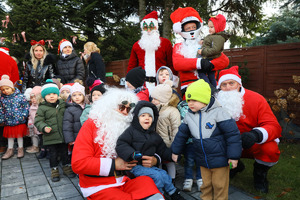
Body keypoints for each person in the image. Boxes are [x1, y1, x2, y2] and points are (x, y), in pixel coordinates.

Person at [71, 87, 164, 200]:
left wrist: (155, 159)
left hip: (126, 180)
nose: (125, 112)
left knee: (152, 190)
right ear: (110, 106)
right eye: (122, 106)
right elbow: (78, 163)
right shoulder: (90, 125)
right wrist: (114, 164)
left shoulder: (131, 127)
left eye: (129, 109)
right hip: (99, 185)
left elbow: (153, 145)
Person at [171, 79, 242, 200]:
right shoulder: (189, 115)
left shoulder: (219, 112)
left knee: (219, 186)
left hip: (220, 159)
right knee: (205, 186)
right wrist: (175, 151)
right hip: (202, 159)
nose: (190, 103)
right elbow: (181, 134)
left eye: (194, 100)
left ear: (204, 100)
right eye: (188, 100)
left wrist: (233, 156)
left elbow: (233, 135)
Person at [216, 66, 282, 193]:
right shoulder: (215, 101)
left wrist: (255, 135)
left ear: (239, 84)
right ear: (220, 87)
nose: (228, 87)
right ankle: (234, 167)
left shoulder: (257, 99)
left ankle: (259, 175)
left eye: (231, 83)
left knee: (270, 149)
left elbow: (274, 126)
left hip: (252, 143)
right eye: (224, 84)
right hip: (228, 144)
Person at [116, 100, 183, 199]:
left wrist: (172, 155)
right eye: (143, 116)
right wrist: (132, 154)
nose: (147, 118)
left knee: (163, 174)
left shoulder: (154, 135)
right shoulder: (131, 131)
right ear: (137, 118)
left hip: (148, 166)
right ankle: (159, 194)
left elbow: (162, 150)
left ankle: (172, 191)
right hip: (135, 166)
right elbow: (121, 144)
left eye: (150, 116)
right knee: (157, 176)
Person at [170, 7, 229, 98]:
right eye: (188, 28)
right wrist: (200, 63)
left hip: (210, 87)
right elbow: (178, 64)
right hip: (189, 86)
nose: (191, 29)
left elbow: (224, 61)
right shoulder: (179, 46)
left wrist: (210, 64)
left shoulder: (205, 43)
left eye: (193, 27)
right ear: (182, 30)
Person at [34, 79, 75, 182]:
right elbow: (38, 121)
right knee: (53, 155)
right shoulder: (42, 108)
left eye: (54, 94)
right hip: (50, 136)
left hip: (62, 135)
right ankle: (54, 170)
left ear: (58, 95)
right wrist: (44, 127)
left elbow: (71, 112)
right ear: (44, 97)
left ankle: (66, 167)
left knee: (64, 153)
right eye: (48, 94)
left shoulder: (63, 104)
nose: (51, 96)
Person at [127, 11, 176, 93]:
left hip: (162, 85)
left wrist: (171, 82)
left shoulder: (165, 43)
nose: (149, 30)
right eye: (146, 28)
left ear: (156, 27)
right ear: (142, 28)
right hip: (142, 86)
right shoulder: (137, 45)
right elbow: (132, 66)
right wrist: (129, 82)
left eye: (151, 27)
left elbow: (171, 64)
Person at [151, 80, 181, 182]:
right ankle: (161, 178)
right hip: (157, 142)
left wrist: (174, 144)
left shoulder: (172, 111)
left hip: (168, 143)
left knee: (169, 162)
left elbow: (176, 128)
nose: (153, 101)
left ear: (163, 99)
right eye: (152, 98)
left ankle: (172, 179)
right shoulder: (155, 109)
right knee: (158, 161)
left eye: (155, 99)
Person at [0, 75, 29, 160]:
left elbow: (25, 106)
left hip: (19, 120)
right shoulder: (2, 99)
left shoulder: (20, 96)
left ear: (12, 87)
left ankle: (20, 148)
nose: (5, 91)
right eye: (3, 90)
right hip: (8, 121)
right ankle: (10, 149)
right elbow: (1, 109)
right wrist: (2, 118)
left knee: (19, 136)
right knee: (10, 136)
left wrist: (23, 116)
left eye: (7, 89)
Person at [197, 14, 230, 87]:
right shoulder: (214, 36)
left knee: (202, 73)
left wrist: (202, 52)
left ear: (218, 27)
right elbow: (209, 42)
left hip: (211, 59)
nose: (209, 29)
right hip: (209, 58)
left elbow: (215, 50)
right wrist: (203, 41)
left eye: (211, 27)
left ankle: (209, 87)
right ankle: (212, 87)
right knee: (210, 75)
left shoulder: (219, 38)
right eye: (209, 27)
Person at [177, 100, 202, 192]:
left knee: (200, 160)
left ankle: (200, 179)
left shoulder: (203, 106)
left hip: (201, 140)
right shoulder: (183, 106)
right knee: (189, 161)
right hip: (189, 141)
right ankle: (188, 179)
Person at [0, 47, 20, 153]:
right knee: (4, 115)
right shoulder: (10, 60)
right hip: (6, 90)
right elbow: (16, 79)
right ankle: (3, 144)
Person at [63, 82, 86, 150]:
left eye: (80, 94)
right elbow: (67, 126)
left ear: (83, 96)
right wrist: (70, 139)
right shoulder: (69, 109)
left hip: (86, 137)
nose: (77, 97)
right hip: (75, 139)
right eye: (74, 95)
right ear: (71, 97)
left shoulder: (87, 107)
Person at [26, 86, 43, 153]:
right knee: (34, 136)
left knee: (41, 138)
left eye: (35, 97)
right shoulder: (32, 107)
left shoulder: (41, 106)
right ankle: (35, 146)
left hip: (40, 125)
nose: (33, 99)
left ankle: (41, 148)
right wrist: (30, 121)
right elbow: (30, 116)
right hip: (33, 125)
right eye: (32, 98)